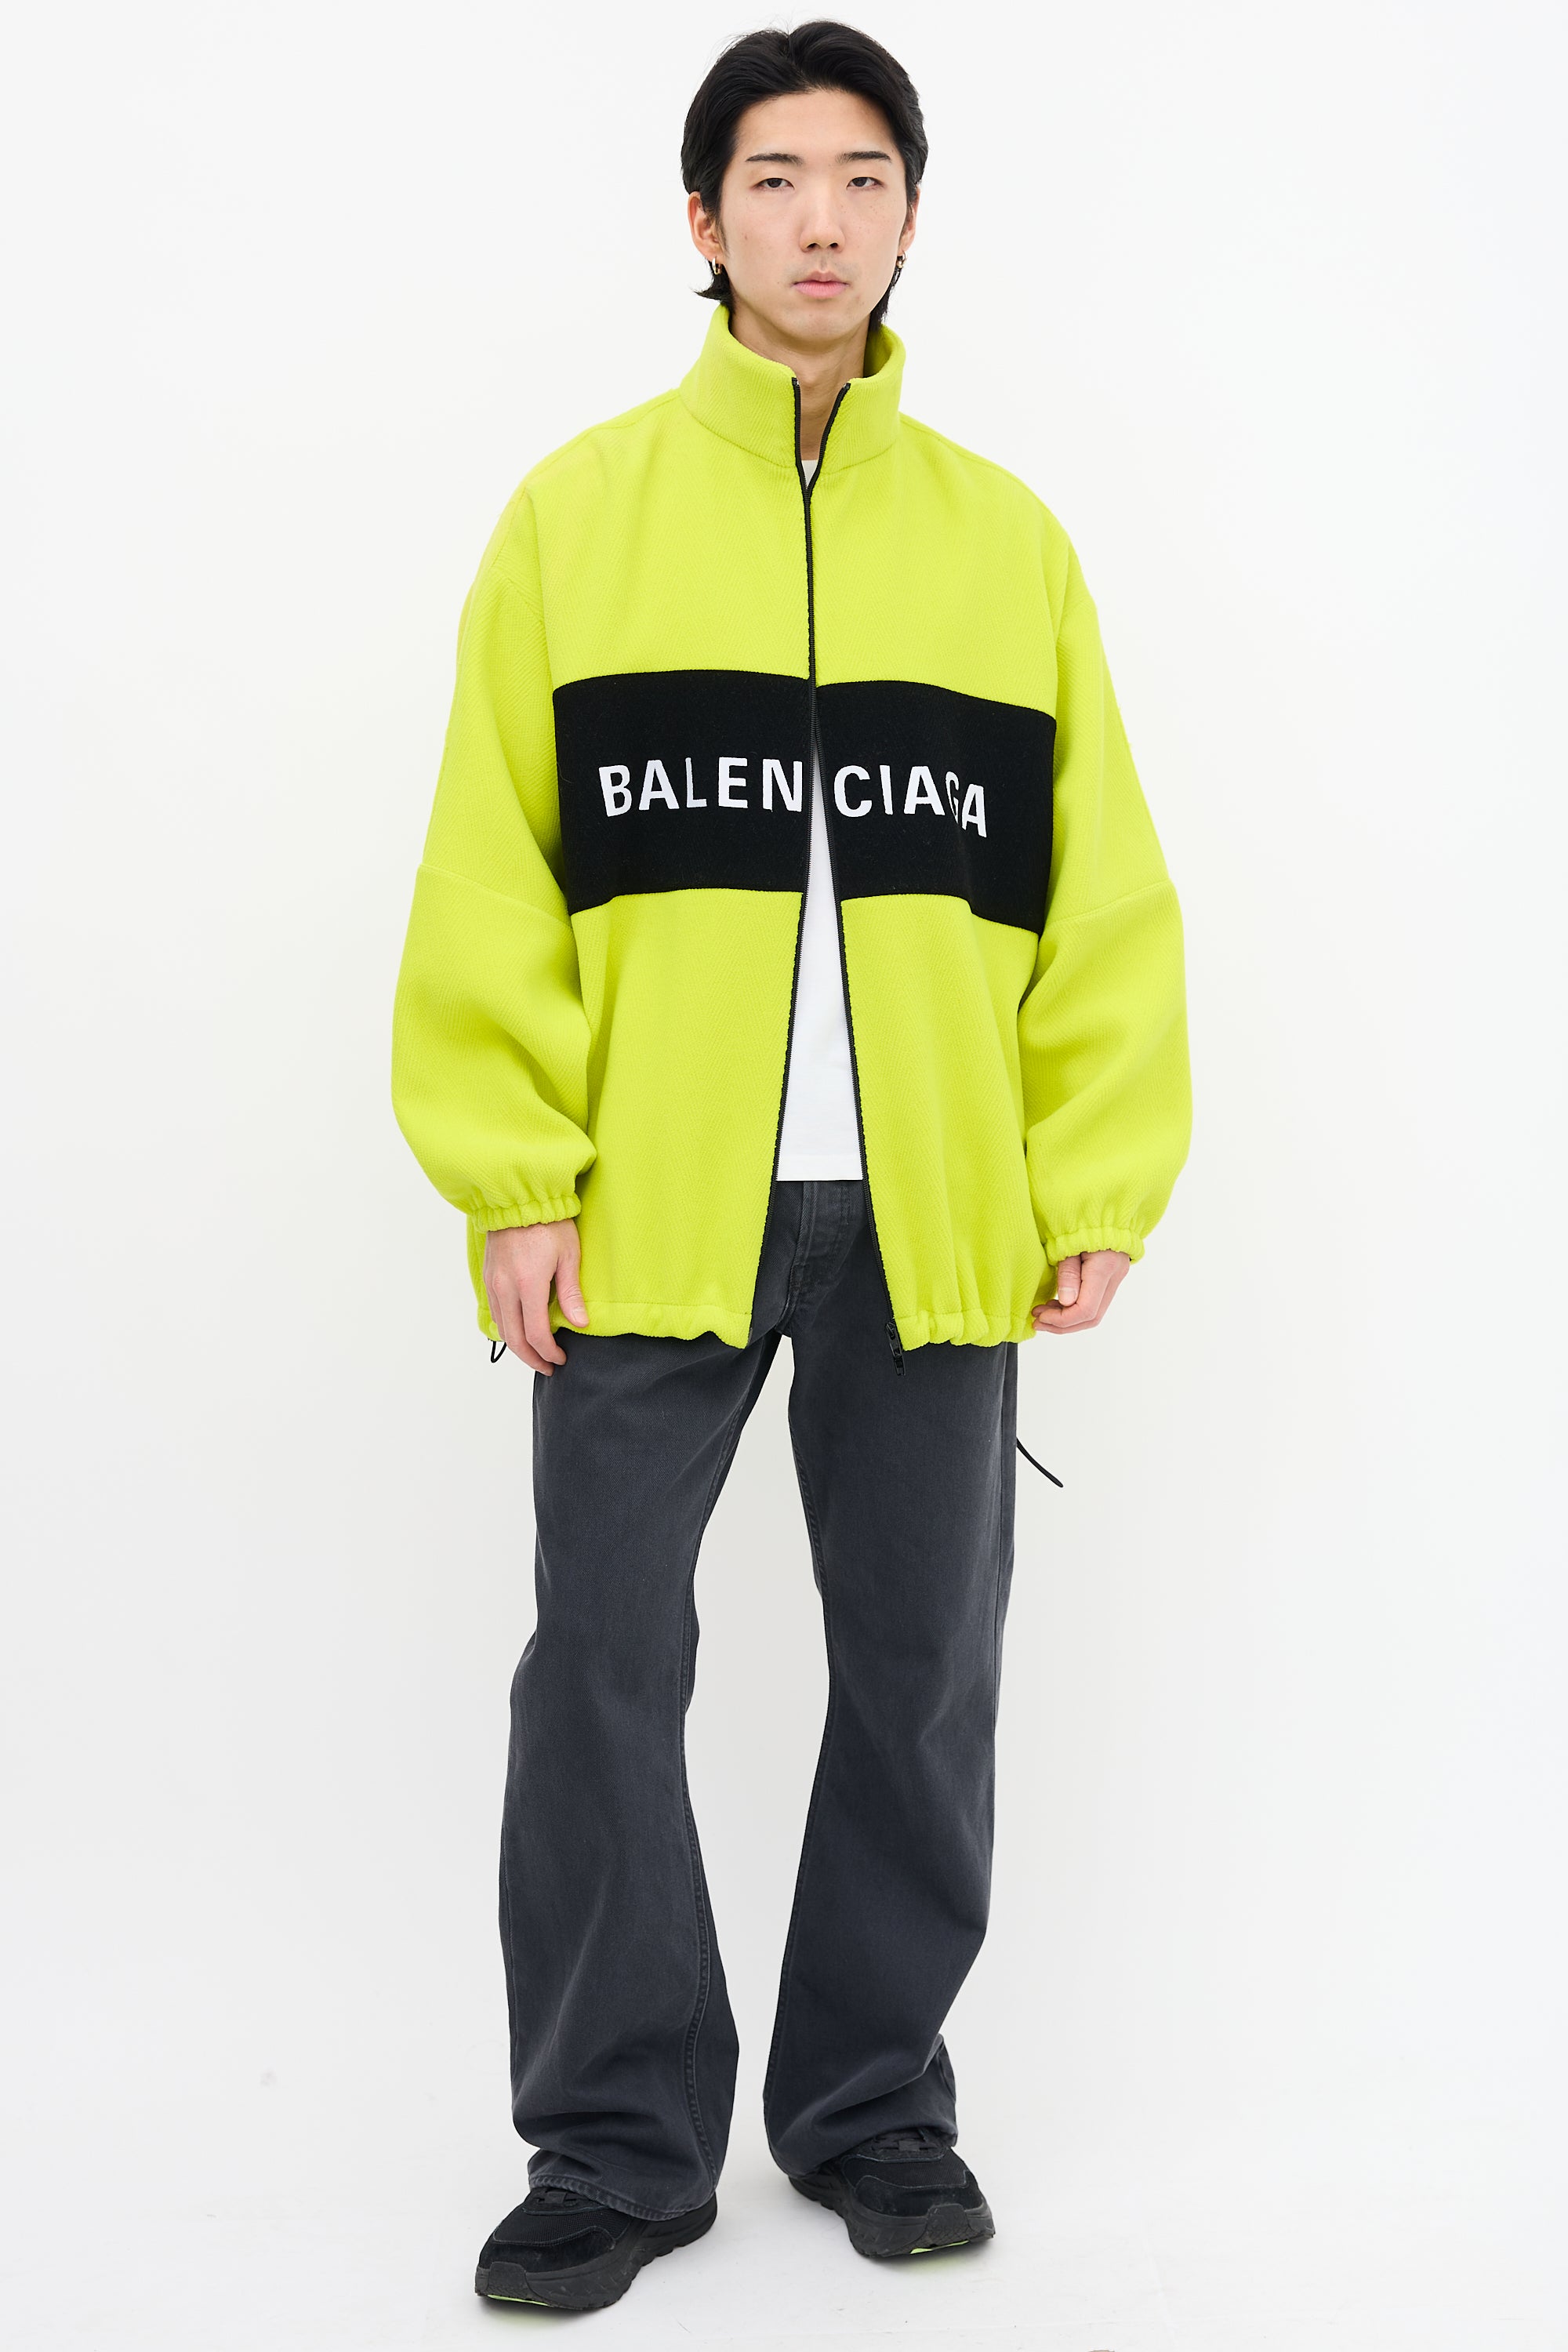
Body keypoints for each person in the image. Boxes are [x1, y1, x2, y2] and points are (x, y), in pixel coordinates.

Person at [391, 18, 1190, 2314]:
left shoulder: (1006, 545)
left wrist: (1090, 1171)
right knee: (600, 1659)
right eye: (774, 178)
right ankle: (616, 2141)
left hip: (932, 1216)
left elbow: (1101, 890)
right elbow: (490, 870)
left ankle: (871, 2107)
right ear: (703, 217)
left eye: (861, 178)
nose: (819, 219)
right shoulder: (578, 520)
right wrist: (513, 1171)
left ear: (910, 215)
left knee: (923, 1672)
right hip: (643, 1206)